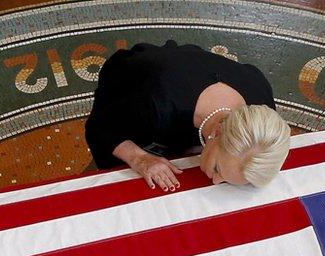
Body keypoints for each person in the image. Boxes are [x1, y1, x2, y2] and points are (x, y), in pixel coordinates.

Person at [85, 39, 291, 190]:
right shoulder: (157, 104)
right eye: (218, 169)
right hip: (131, 87)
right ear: (217, 131)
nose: (216, 181)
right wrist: (140, 158)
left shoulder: (262, 108)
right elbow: (99, 128)